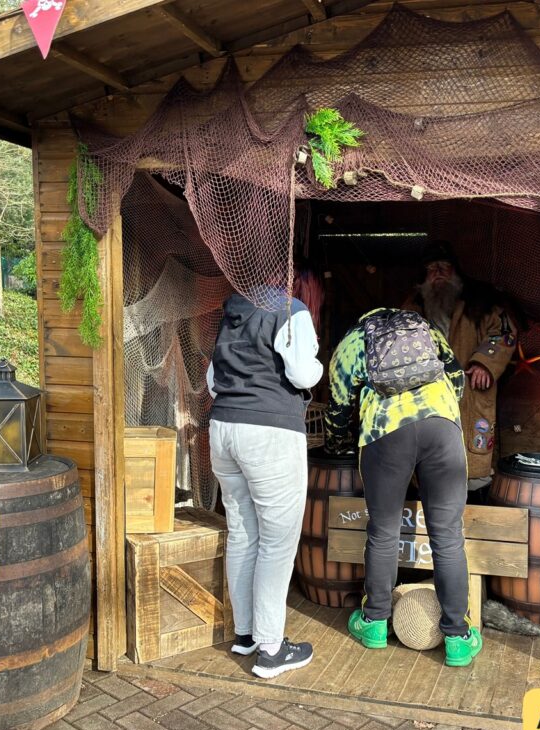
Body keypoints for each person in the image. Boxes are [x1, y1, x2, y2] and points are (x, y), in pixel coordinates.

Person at [324, 308, 483, 667]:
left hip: (385, 432)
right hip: (441, 428)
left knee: (383, 531)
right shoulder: (425, 328)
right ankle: (458, 638)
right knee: (448, 535)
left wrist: (336, 445)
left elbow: (338, 408)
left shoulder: (352, 342)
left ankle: (374, 623)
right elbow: (457, 378)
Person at [207, 287, 323, 679]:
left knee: (242, 534)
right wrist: (317, 365)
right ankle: (272, 649)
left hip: (223, 428)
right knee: (277, 542)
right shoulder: (290, 310)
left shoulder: (230, 313)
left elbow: (212, 380)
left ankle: (246, 634)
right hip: (270, 430)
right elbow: (302, 373)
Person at [404, 241, 517, 497]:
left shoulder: (481, 302)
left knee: (471, 463)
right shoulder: (412, 307)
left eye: (444, 266)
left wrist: (484, 363)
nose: (438, 272)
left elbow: (505, 332)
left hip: (469, 393)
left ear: (456, 272)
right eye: (431, 268)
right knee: (425, 462)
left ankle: (473, 504)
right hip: (426, 395)